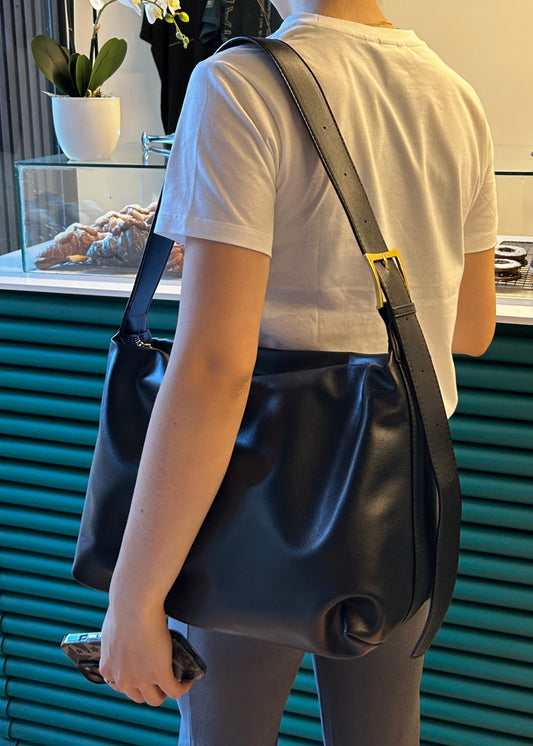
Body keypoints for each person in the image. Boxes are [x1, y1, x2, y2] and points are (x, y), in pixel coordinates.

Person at [99, 1, 497, 743]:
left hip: (260, 487)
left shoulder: (238, 84)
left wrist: (134, 596)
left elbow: (214, 366)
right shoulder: (453, 94)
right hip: (401, 486)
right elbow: (471, 328)